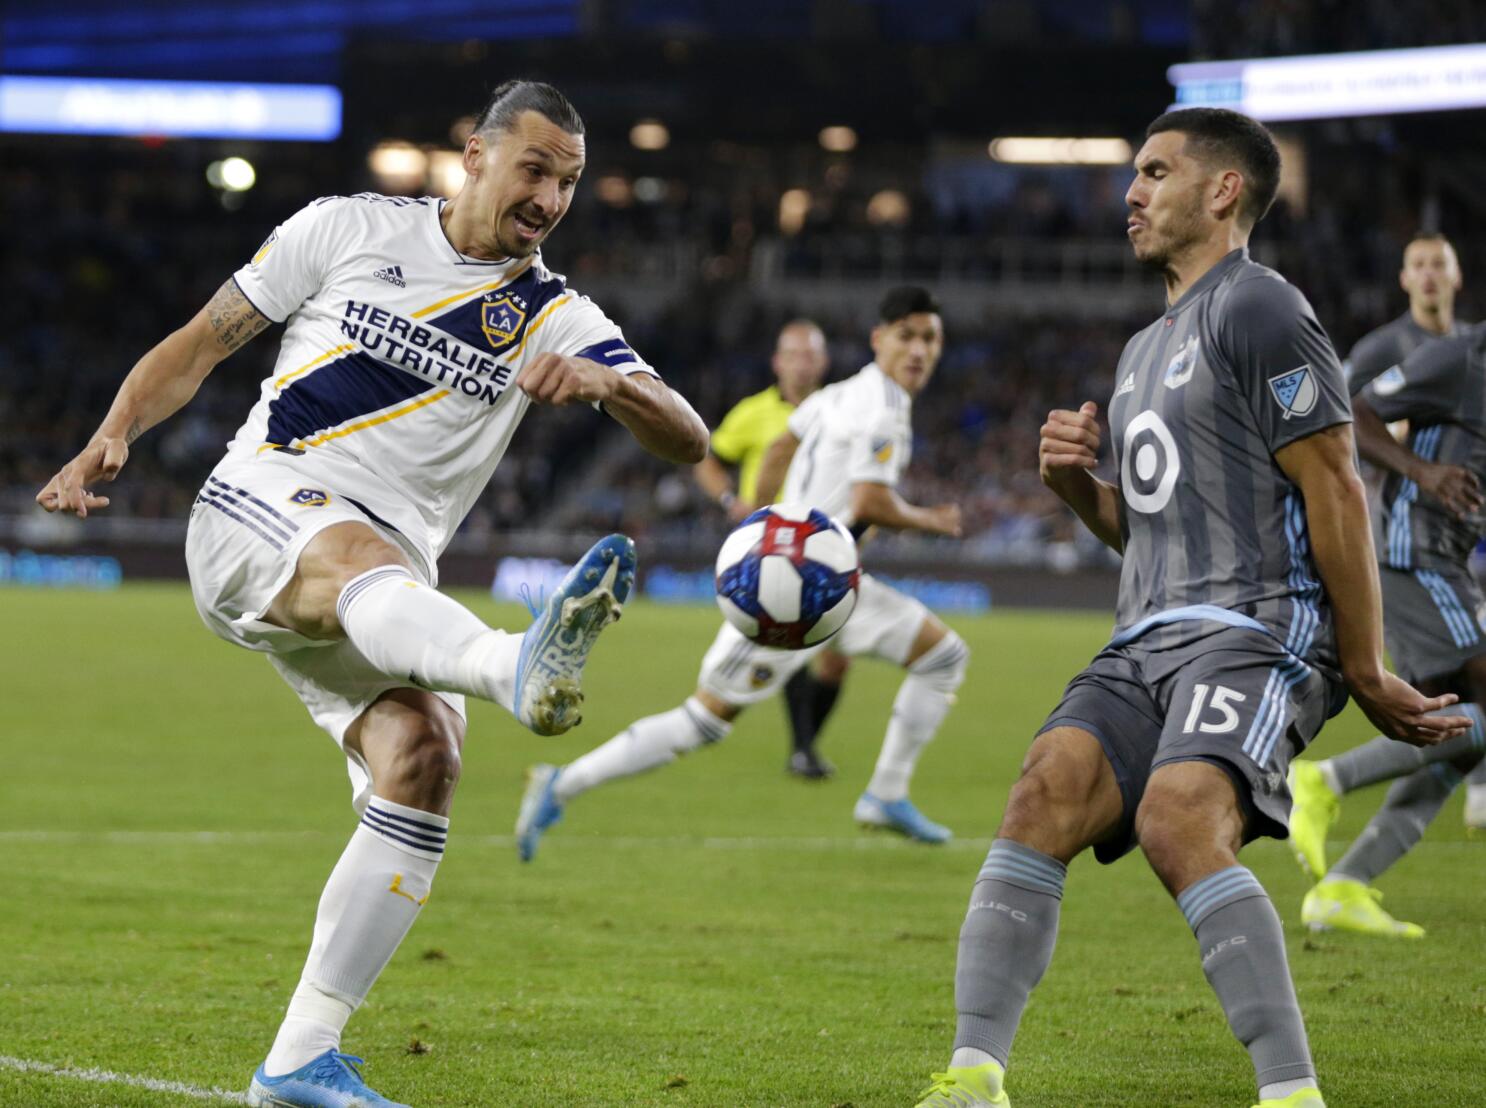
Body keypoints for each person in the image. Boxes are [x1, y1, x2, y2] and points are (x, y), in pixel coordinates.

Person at [36, 79, 707, 1108]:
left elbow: (686, 433)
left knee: (424, 756)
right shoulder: (344, 227)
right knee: (366, 564)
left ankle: (299, 1057)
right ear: (473, 154)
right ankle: (506, 662)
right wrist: (115, 429)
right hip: (259, 509)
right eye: (533, 168)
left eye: (567, 183)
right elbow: (203, 341)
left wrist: (611, 385)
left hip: (379, 584)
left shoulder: (555, 315)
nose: (548, 198)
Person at [911, 108, 1467, 1108]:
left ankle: (1290, 1092)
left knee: (1177, 820)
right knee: (1042, 788)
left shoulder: (1260, 309)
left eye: (1154, 171)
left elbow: (1335, 483)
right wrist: (1077, 490)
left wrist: (1365, 662)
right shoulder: (1138, 352)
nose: (1131, 192)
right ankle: (972, 1077)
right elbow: (1150, 530)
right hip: (1145, 633)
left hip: (1258, 629)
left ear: (1222, 191)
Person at [515, 286, 967, 861]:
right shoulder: (882, 410)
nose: (919, 350)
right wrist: (931, 518)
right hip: (790, 596)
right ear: (879, 339)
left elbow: (781, 446)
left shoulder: (841, 394)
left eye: (930, 339)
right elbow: (872, 500)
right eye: (907, 336)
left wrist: (762, 523)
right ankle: (563, 782)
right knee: (702, 722)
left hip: (828, 584)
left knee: (943, 655)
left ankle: (886, 794)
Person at [1288, 323, 1486, 936]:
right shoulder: (1460, 358)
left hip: (1446, 559)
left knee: (1458, 739)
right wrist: (1422, 472)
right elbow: (1353, 409)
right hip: (1413, 552)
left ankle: (1344, 887)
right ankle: (1319, 781)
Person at [693, 318, 850, 779]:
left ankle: (804, 743)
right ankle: (803, 749)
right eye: (795, 354)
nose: (804, 363)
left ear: (823, 361)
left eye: (812, 354)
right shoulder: (752, 412)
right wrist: (728, 499)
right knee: (791, 635)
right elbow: (709, 459)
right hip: (766, 551)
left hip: (824, 550)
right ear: (778, 362)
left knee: (836, 662)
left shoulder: (837, 409)